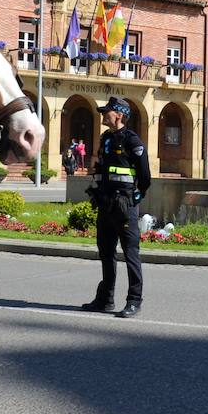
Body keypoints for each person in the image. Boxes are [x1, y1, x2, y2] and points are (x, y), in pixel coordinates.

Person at [80, 96, 151, 318]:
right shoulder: (106, 138)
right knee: (106, 252)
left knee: (130, 253)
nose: (103, 115)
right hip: (106, 202)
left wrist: (135, 198)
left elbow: (145, 176)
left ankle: (134, 300)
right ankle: (105, 299)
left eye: (107, 112)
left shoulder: (132, 140)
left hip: (124, 204)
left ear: (119, 114)